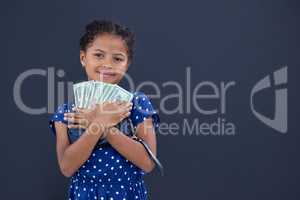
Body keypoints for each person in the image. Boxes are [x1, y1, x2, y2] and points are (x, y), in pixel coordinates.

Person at [49, 19, 160, 200]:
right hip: (85, 195)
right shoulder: (66, 112)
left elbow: (147, 163)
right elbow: (67, 168)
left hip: (128, 194)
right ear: (83, 58)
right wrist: (99, 123)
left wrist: (104, 127)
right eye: (99, 55)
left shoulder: (136, 104)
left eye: (117, 58)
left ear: (127, 64)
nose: (107, 64)